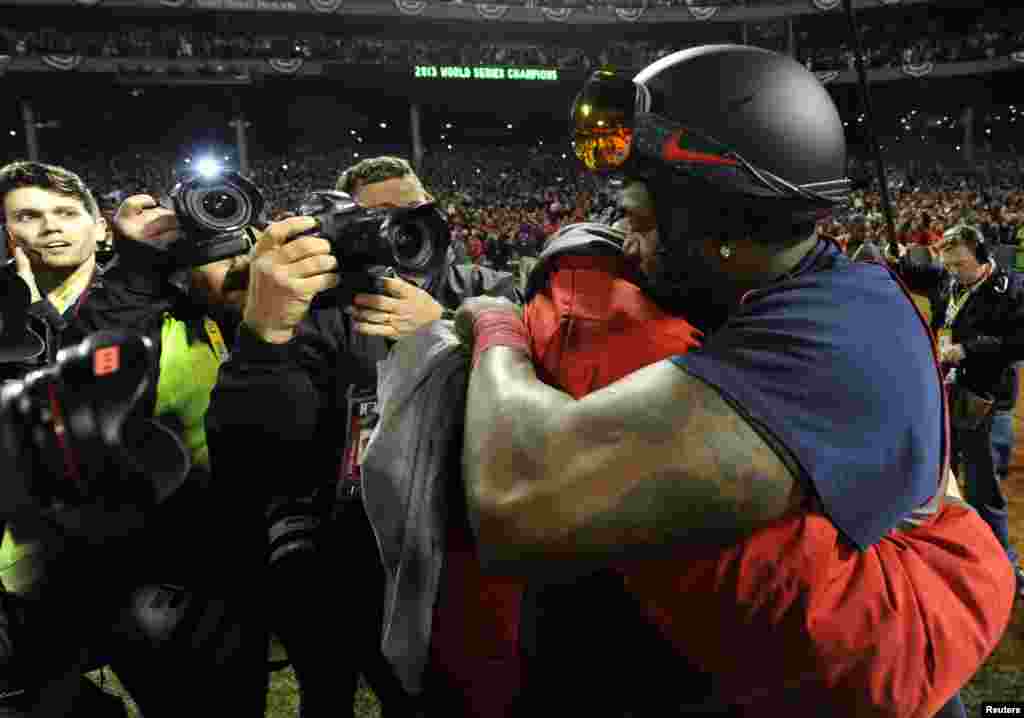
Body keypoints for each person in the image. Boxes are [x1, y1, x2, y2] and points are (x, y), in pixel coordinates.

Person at [453, 45, 1014, 716]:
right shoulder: (797, 291)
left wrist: (497, 329)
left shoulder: (835, 342)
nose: (626, 243)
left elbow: (518, 494)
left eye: (639, 218)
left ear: (719, 223)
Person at [205, 155, 522, 718]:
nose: (400, 228)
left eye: (414, 210)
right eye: (377, 218)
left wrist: (444, 331)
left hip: (454, 546)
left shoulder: (484, 288)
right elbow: (252, 450)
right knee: (327, 694)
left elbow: (535, 399)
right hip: (342, 555)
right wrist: (265, 334)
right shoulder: (316, 309)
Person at [0, 163, 268, 716]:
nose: (51, 228)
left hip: (187, 557)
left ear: (99, 227)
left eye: (66, 213)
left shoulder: (168, 295)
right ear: (7, 232)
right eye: (28, 216)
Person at [891, 223, 1024, 597]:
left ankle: (1004, 567)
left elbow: (1019, 341)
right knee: (944, 478)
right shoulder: (952, 283)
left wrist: (970, 348)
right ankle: (953, 558)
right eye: (948, 265)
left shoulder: (1010, 290)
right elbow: (929, 291)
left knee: (984, 488)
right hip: (950, 392)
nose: (953, 272)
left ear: (983, 259)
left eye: (961, 264)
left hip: (988, 398)